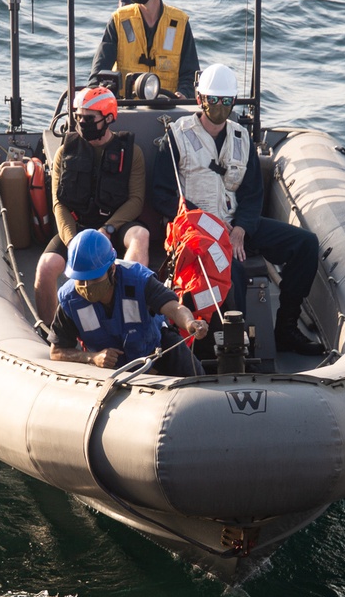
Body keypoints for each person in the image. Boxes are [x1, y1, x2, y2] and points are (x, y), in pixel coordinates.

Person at [152, 63, 324, 355]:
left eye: (226, 101)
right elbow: (162, 195)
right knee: (234, 269)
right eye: (213, 101)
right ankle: (234, 341)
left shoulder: (241, 138)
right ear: (200, 99)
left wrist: (242, 229)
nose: (220, 107)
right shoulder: (176, 137)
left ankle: (286, 328)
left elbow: (253, 192)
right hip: (197, 230)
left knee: (305, 244)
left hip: (237, 225)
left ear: (234, 101)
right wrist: (211, 227)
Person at [34, 86, 149, 325]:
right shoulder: (65, 153)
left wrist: (108, 229)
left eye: (88, 118)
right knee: (46, 267)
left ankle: (130, 315)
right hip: (77, 228)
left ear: (108, 118)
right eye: (78, 117)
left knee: (140, 235)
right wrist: (73, 241)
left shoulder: (132, 154)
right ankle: (53, 333)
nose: (81, 122)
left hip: (113, 228)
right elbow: (59, 203)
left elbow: (136, 201)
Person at [49, 229, 208, 378]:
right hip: (108, 373)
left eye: (94, 278)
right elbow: (56, 352)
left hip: (154, 353)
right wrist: (92, 357)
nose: (86, 286)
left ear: (112, 269)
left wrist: (189, 322)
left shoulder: (138, 279)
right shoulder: (69, 300)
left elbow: (174, 308)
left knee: (186, 363)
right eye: (80, 280)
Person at [88, 0, 199, 100]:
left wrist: (183, 94)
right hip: (126, 109)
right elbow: (98, 76)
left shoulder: (179, 23)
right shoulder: (119, 20)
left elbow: (190, 75)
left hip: (168, 110)